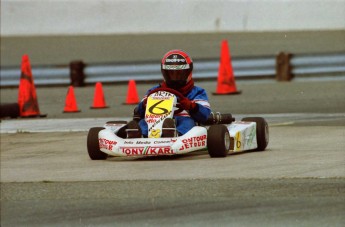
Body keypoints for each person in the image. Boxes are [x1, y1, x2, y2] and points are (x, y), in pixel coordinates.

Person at [127, 49, 211, 138]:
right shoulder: (155, 91)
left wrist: (192, 106)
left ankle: (174, 134)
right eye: (171, 74)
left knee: (187, 123)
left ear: (188, 73)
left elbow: (205, 115)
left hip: (182, 119)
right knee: (143, 123)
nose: (174, 78)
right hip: (154, 121)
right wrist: (144, 105)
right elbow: (138, 112)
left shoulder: (196, 92)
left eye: (178, 74)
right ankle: (138, 135)